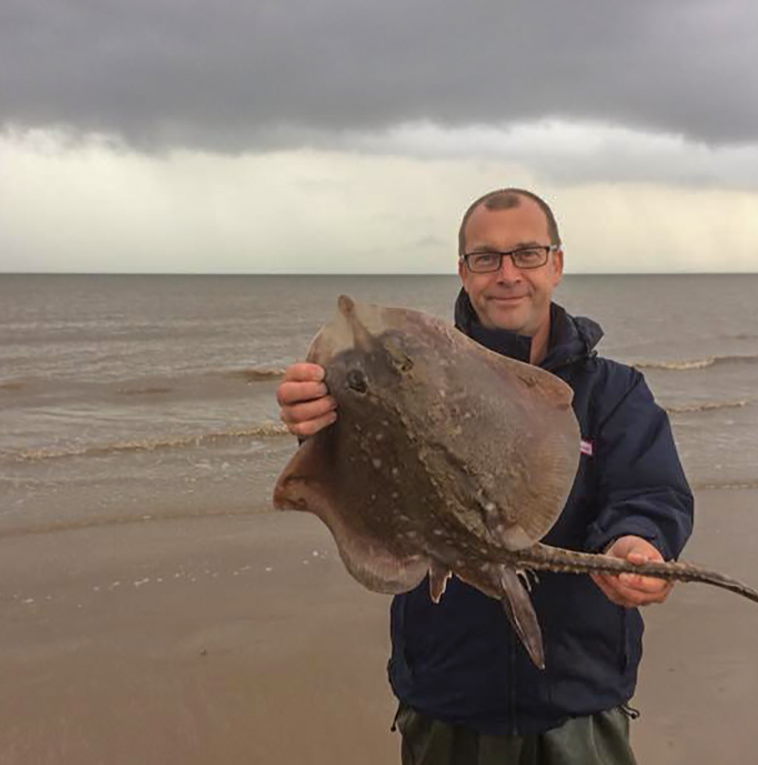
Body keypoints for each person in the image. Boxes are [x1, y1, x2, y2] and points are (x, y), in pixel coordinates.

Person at [276, 188, 693, 764]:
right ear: (463, 271)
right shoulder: (412, 371)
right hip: (448, 691)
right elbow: (344, 471)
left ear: (556, 263)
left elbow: (649, 492)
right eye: (485, 258)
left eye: (526, 253)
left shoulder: (615, 392)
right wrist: (315, 425)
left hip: (581, 692)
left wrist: (639, 542)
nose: (506, 274)